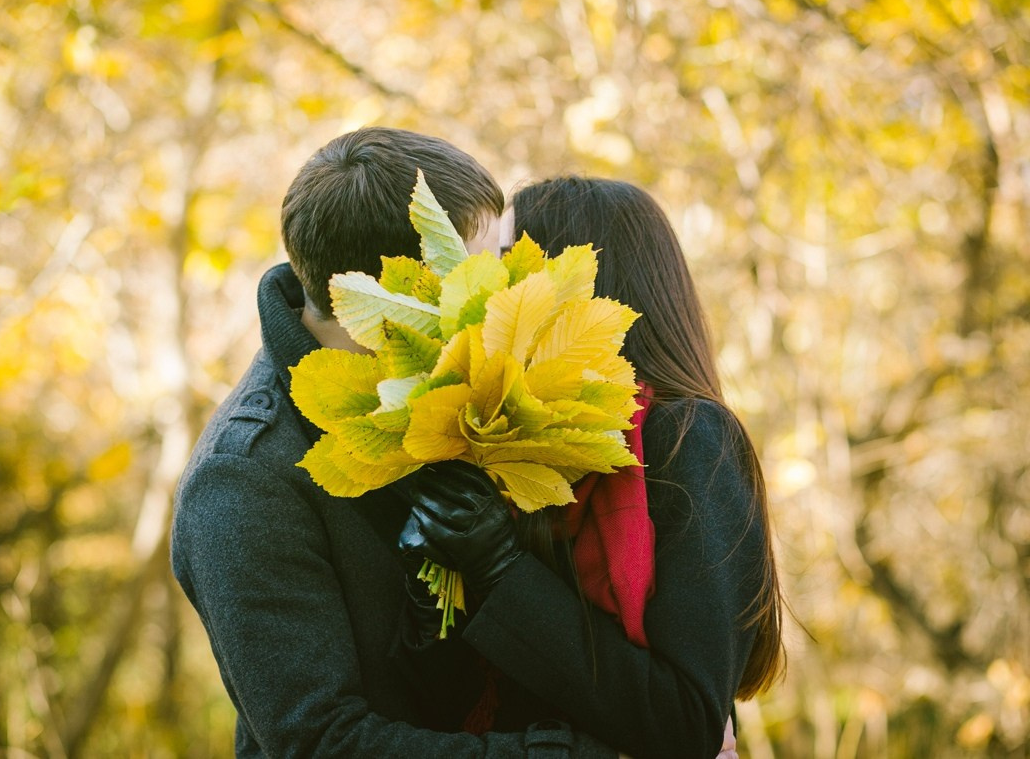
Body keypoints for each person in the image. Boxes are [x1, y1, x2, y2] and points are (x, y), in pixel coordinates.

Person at [170, 128, 622, 757]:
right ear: (399, 294)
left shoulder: (456, 377)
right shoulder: (245, 481)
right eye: (480, 266)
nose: (506, 287)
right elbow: (318, 741)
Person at [399, 176, 785, 759]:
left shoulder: (691, 440)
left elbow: (686, 725)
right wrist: (431, 615)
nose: (493, 285)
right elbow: (469, 703)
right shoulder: (507, 437)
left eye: (511, 262)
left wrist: (501, 569)